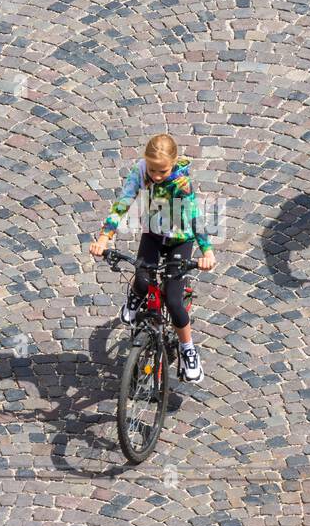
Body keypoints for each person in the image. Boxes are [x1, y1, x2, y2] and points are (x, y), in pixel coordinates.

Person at [89, 134, 217, 382]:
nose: (156, 176)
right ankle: (135, 297)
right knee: (141, 275)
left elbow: (194, 217)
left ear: (173, 163)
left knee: (173, 299)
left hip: (180, 239)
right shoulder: (140, 171)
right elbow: (123, 202)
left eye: (162, 171)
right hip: (154, 234)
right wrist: (105, 237)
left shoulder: (181, 182)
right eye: (152, 170)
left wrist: (207, 251)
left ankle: (188, 349)